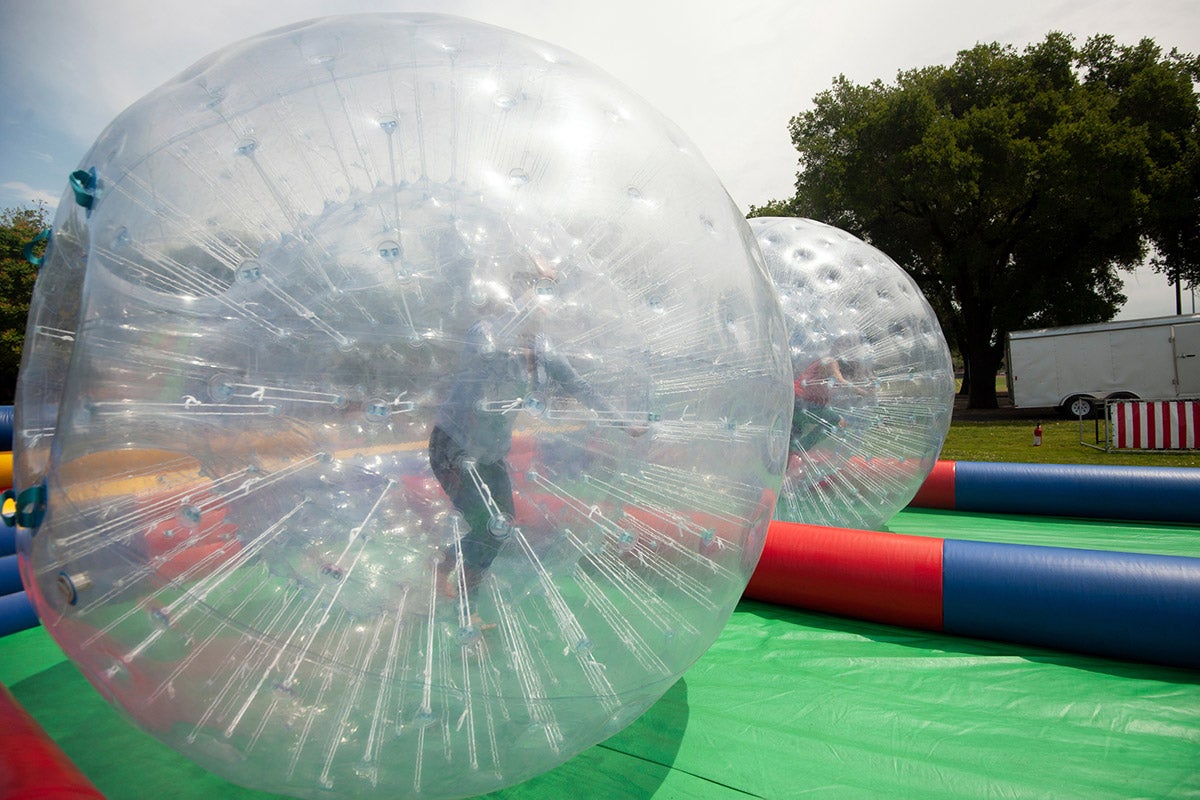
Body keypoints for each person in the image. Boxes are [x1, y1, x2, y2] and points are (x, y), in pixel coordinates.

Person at [429, 255, 642, 603]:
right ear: (516, 297)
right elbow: (474, 380)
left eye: (547, 297)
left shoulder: (543, 349)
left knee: (501, 525)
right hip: (455, 446)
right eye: (537, 294)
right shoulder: (485, 334)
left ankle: (445, 563)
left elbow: (580, 386)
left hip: (491, 451)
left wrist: (623, 421)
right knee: (488, 527)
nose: (544, 306)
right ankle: (466, 604)